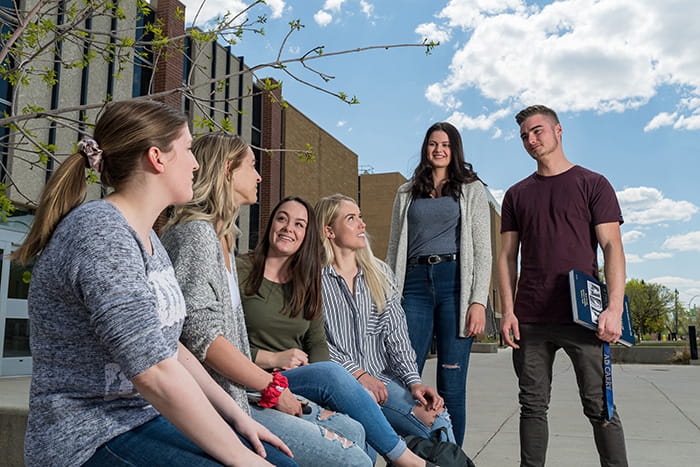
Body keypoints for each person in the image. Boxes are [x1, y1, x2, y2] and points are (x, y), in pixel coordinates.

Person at [16, 100, 294, 467]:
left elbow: (170, 348)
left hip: (140, 418)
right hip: (88, 436)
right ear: (157, 158)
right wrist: (242, 459)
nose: (196, 164)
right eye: (189, 150)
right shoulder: (101, 234)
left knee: (276, 455)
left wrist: (238, 417)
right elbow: (155, 373)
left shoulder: (149, 240)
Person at [161, 134, 372, 467]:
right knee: (352, 460)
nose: (259, 176)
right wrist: (272, 387)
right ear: (228, 170)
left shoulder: (222, 240)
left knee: (354, 430)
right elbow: (199, 335)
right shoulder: (195, 235)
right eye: (252, 166)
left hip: (245, 394)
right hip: (216, 404)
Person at [237, 196, 430, 466]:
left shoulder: (306, 281)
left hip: (295, 380)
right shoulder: (240, 270)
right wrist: (272, 358)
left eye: (299, 224)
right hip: (250, 377)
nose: (288, 228)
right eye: (282, 219)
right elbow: (223, 340)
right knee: (334, 375)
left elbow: (317, 346)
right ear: (270, 224)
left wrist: (327, 400)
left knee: (357, 426)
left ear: (307, 235)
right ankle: (407, 460)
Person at [498, 105, 628, 467]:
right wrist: (508, 312)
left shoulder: (593, 183)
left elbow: (612, 247)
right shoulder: (516, 194)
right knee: (532, 407)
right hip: (532, 319)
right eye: (524, 135)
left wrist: (614, 307)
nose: (531, 140)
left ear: (558, 131)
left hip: (585, 318)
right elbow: (507, 257)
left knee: (600, 405)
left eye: (537, 131)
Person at [317, 193, 456, 445]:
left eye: (360, 217)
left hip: (383, 382)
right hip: (337, 385)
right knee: (361, 441)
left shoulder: (379, 273)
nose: (362, 224)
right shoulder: (312, 279)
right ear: (329, 231)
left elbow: (397, 336)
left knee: (439, 422)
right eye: (351, 218)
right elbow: (317, 343)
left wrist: (414, 383)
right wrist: (359, 375)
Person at [386, 121, 492, 445]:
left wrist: (478, 301)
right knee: (405, 379)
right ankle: (404, 456)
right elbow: (394, 248)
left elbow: (483, 248)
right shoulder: (406, 192)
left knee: (451, 384)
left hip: (455, 285)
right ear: (425, 148)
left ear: (454, 149)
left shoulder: (472, 189)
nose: (439, 150)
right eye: (433, 144)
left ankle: (450, 456)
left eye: (445, 144)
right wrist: (390, 296)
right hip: (414, 285)